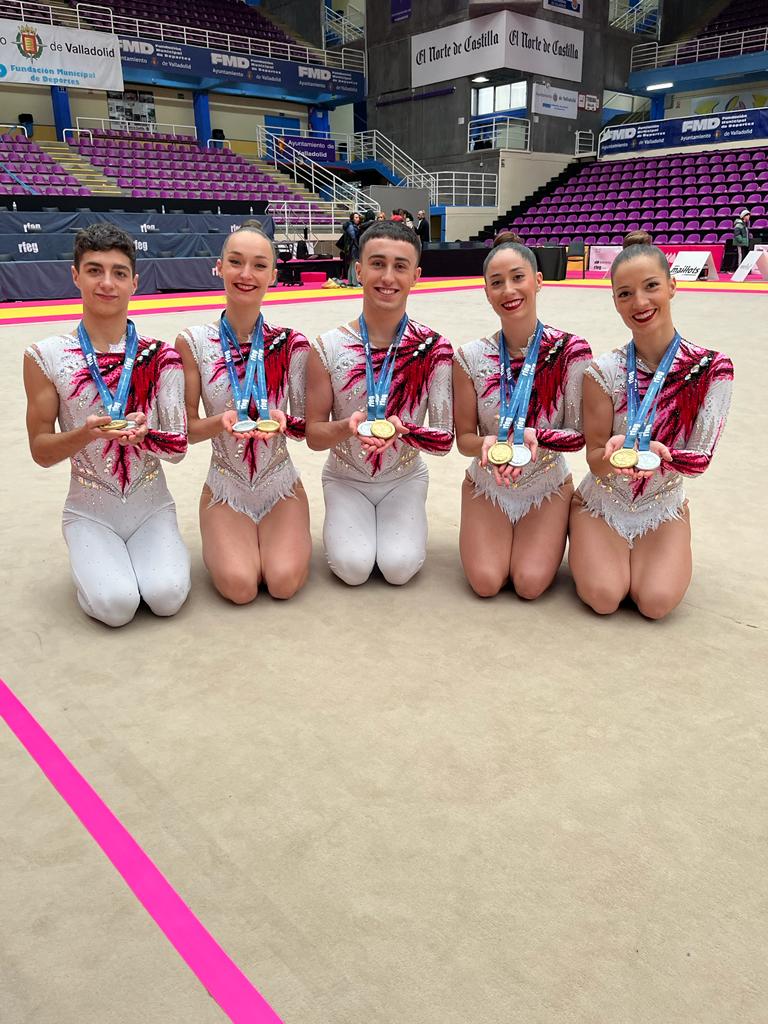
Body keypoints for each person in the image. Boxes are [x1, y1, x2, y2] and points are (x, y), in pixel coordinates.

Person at [22, 223, 190, 627]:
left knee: (166, 597)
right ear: (75, 275)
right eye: (95, 270)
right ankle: (93, 556)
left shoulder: (160, 356)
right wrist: (84, 434)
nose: (107, 283)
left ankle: (128, 561)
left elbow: (180, 447)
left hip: (151, 505)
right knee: (116, 607)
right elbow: (40, 452)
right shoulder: (46, 357)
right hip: (89, 509)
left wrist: (147, 436)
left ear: (135, 281)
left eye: (118, 272)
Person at [569, 243, 734, 619]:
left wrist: (665, 455)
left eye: (651, 286)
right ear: (614, 300)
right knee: (604, 597)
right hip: (604, 502)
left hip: (662, 503)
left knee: (655, 603)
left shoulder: (711, 368)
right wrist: (611, 457)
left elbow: (701, 459)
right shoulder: (603, 372)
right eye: (625, 293)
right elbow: (595, 462)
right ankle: (578, 519)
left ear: (672, 286)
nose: (639, 302)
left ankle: (676, 526)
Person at [305, 220, 454, 586]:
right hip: (345, 477)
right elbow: (313, 435)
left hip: (404, 477)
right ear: (358, 270)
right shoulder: (327, 347)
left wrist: (407, 432)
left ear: (416, 275)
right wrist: (346, 427)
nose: (388, 276)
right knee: (353, 569)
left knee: (399, 568)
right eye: (377, 263)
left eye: (400, 266)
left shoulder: (433, 349)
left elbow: (444, 438)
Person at [176, 223, 311, 604]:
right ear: (219, 267)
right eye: (236, 263)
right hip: (226, 487)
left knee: (283, 583)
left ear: (274, 274)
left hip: (280, 483)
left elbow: (306, 428)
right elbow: (185, 429)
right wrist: (219, 422)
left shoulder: (291, 344)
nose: (246, 275)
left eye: (258, 265)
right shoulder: (193, 342)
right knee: (240, 588)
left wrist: (288, 422)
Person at [454, 240, 592, 599]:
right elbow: (465, 438)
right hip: (488, 484)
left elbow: (578, 435)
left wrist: (537, 436)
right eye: (496, 282)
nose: (509, 290)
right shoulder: (469, 357)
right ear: (486, 292)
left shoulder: (570, 351)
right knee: (485, 582)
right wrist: (485, 444)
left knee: (530, 585)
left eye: (518, 278)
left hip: (546, 485)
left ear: (538, 281)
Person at [345, 211, 362, 286]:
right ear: (352, 218)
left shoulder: (350, 226)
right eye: (356, 217)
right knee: (355, 264)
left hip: (351, 248)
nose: (358, 219)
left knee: (352, 265)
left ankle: (350, 281)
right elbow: (354, 237)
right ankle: (355, 282)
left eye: (358, 217)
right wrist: (358, 247)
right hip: (353, 248)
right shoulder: (352, 226)